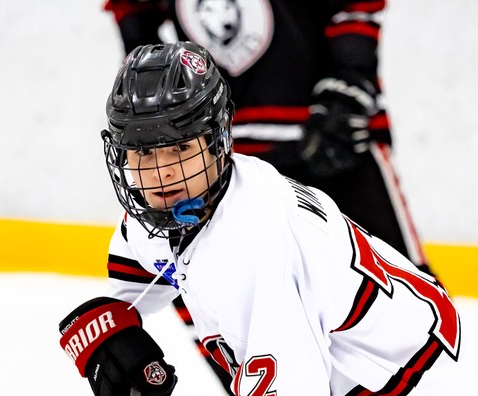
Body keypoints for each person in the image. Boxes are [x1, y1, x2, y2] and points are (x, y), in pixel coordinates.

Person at [59, 42, 478, 396]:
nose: (161, 174)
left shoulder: (255, 244)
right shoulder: (189, 202)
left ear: (217, 139)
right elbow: (139, 260)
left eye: (178, 147)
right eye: (142, 152)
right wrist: (113, 327)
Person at [102, 0, 430, 273]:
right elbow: (133, 8)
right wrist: (152, 82)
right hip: (225, 146)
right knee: (226, 298)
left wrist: (349, 81)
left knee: (399, 285)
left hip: (327, 130)